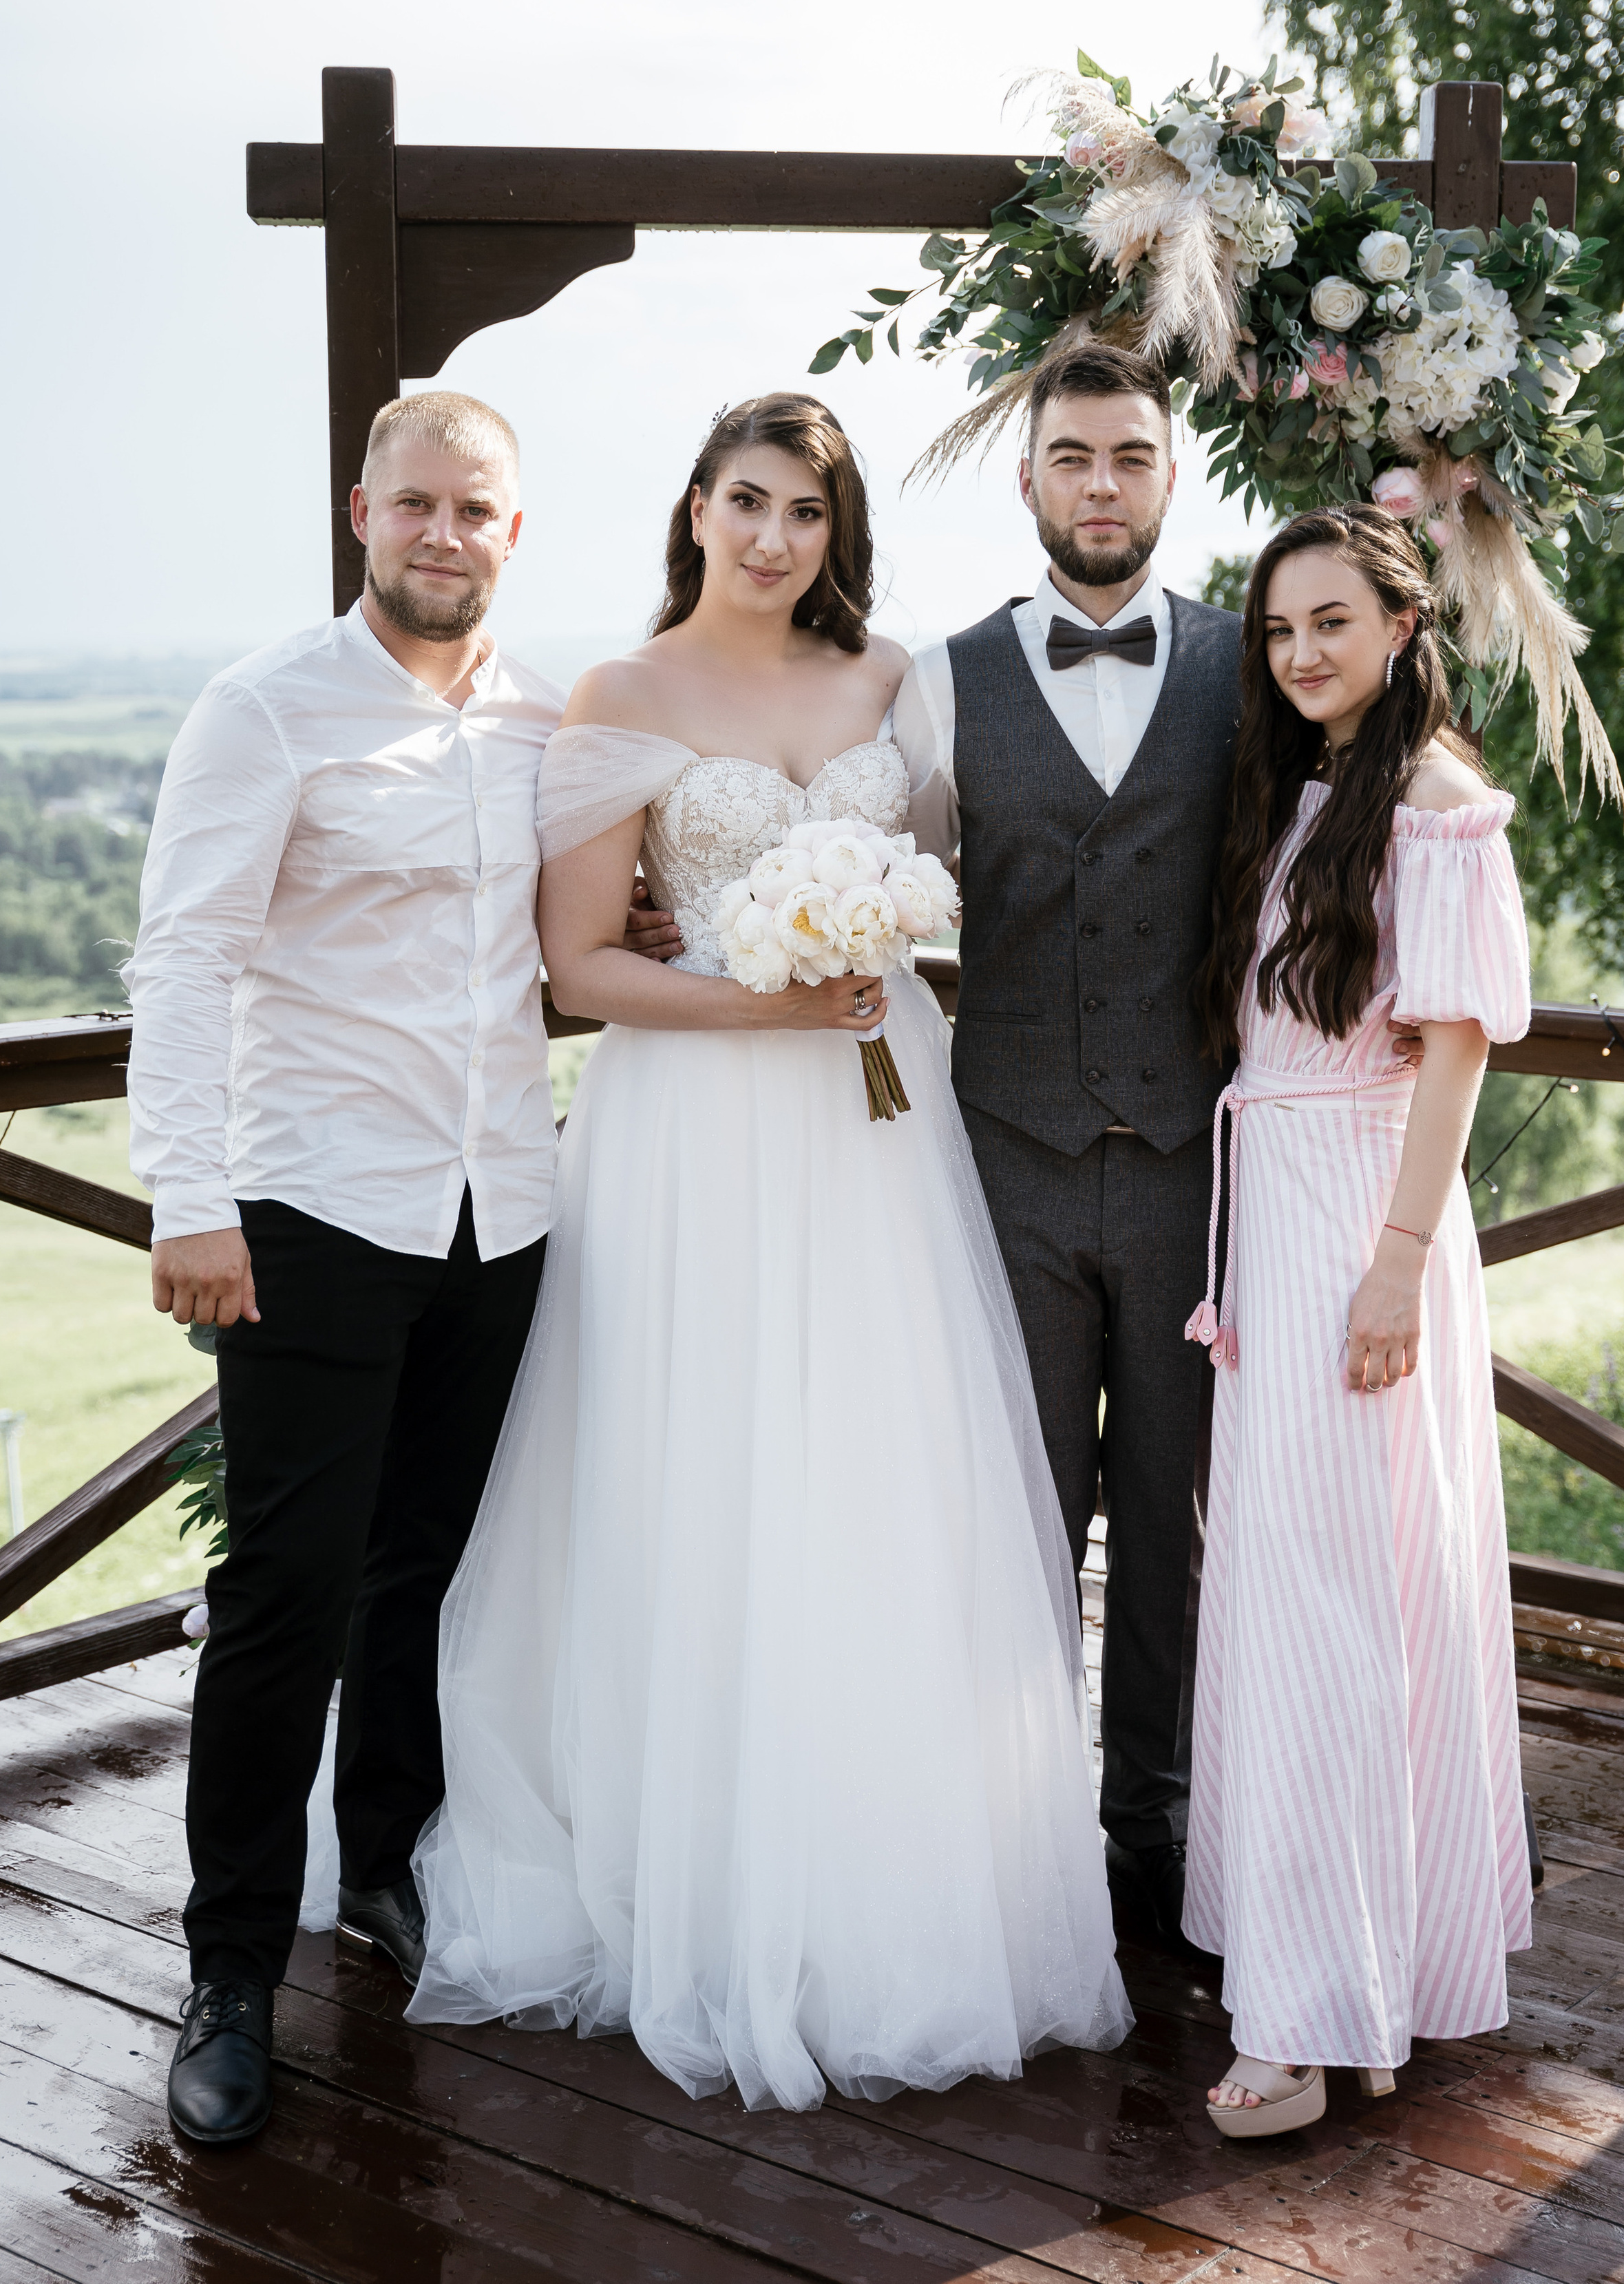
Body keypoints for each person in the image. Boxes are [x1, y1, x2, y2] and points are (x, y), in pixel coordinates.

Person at [405, 391, 1131, 2109]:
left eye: (804, 512)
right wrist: (758, 992)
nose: (771, 538)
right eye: (746, 501)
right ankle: (697, 1875)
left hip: (880, 1137)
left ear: (834, 532)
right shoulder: (622, 695)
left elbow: (947, 871)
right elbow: (579, 964)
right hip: (699, 1138)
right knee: (705, 1472)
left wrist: (873, 940)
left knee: (877, 1476)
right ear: (693, 506)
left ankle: (884, 1867)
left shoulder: (891, 685)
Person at [127, 390, 655, 2148]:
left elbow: (566, 949)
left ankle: (383, 1877)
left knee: (423, 1574)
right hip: (310, 1216)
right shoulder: (267, 707)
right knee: (285, 1598)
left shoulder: (544, 721)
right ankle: (224, 1971)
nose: (443, 533)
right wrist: (182, 1200)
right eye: (414, 503)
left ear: (518, 531)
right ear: (363, 511)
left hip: (499, 1214)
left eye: (475, 509)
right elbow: (185, 960)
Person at [1183, 505, 1534, 2139]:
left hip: (1360, 1215)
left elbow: (1455, 1043)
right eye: (1276, 630)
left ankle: (1312, 2017)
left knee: (1337, 1598)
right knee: (1300, 1587)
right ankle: (1339, 1955)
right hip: (1275, 1203)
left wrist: (1394, 1256)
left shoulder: (1440, 805)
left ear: (1401, 625)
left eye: (1331, 620)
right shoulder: (1313, 788)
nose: (1301, 652)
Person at [894, 342, 1239, 1948]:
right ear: (1025, 480)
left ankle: (1149, 1838)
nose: (1100, 486)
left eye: (1129, 458)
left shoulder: (1253, 667)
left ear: (1171, 479)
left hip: (1192, 1165)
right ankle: (1011, 1838)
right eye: (1071, 459)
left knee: (1173, 1518)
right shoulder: (941, 680)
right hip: (1003, 1161)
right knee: (1013, 1508)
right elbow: (853, 871)